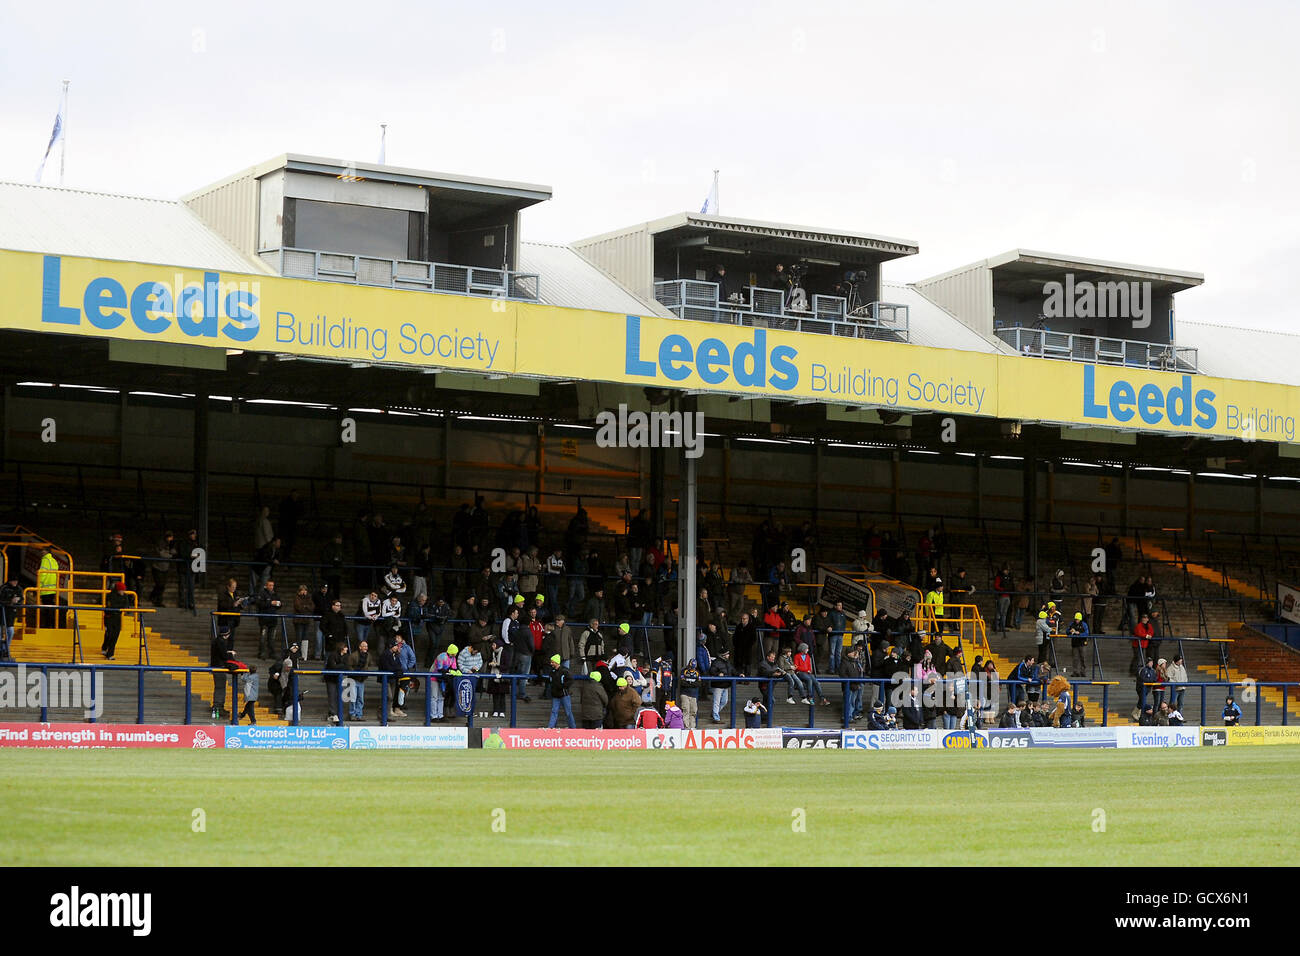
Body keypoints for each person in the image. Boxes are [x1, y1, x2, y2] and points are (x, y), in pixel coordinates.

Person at [102, 580, 132, 660]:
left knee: (115, 636)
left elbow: (126, 605)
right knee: (109, 634)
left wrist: (120, 607)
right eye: (121, 590)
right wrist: (120, 607)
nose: (123, 592)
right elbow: (111, 606)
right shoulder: (110, 595)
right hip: (109, 617)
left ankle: (110, 654)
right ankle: (105, 647)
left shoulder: (125, 596)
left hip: (117, 618)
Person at [544, 655, 577, 728]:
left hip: (564, 694)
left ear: (556, 662)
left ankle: (573, 728)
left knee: (568, 712)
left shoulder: (564, 671)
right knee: (554, 711)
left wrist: (563, 686)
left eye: (552, 662)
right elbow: (550, 680)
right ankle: (551, 727)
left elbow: (570, 680)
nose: (551, 664)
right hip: (556, 694)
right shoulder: (553, 671)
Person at [209, 626, 233, 720]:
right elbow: (224, 656)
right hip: (219, 667)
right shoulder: (221, 642)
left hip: (215, 666)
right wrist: (230, 654)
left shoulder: (216, 641)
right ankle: (218, 707)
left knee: (219, 687)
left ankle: (217, 706)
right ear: (226, 634)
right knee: (220, 687)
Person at [150, 531, 176, 607]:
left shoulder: (171, 544)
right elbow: (162, 554)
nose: (171, 538)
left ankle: (155, 598)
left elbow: (174, 552)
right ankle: (156, 599)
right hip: (157, 567)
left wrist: (171, 553)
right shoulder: (161, 543)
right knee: (159, 584)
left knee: (162, 585)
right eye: (170, 537)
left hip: (165, 568)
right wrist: (170, 555)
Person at [347, 641, 371, 721]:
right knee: (353, 698)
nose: (366, 648)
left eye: (366, 646)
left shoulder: (368, 656)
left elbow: (368, 665)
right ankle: (352, 714)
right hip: (353, 679)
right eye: (364, 646)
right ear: (360, 647)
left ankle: (359, 715)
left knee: (360, 698)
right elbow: (349, 667)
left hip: (362, 680)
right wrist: (355, 674)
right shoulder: (353, 655)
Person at [709, 649, 734, 724]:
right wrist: (718, 674)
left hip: (725, 685)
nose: (728, 655)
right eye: (727, 654)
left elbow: (733, 670)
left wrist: (739, 674)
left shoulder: (728, 663)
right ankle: (716, 718)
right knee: (716, 702)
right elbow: (711, 671)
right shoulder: (716, 662)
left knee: (724, 701)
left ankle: (714, 713)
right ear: (723, 655)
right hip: (718, 685)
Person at [1067, 611, 1090, 678]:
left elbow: (1087, 633)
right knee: (1075, 658)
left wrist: (1079, 633)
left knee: (1083, 658)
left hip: (1082, 643)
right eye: (1076, 619)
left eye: (1078, 619)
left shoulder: (1084, 625)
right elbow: (1067, 631)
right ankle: (1075, 672)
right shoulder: (1072, 624)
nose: (1076, 620)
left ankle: (1083, 672)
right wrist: (1070, 631)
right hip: (1074, 644)